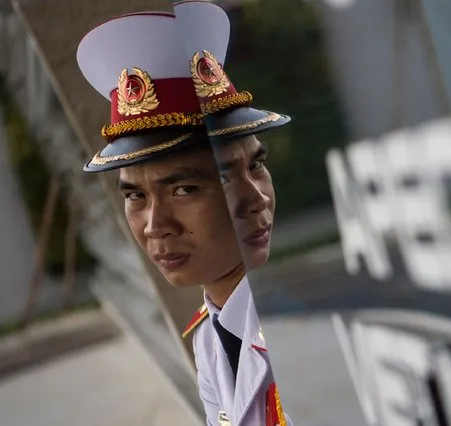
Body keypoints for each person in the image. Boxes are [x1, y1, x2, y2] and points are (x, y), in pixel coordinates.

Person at [76, 3, 292, 425]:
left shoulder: (303, 331)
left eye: (183, 189)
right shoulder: (212, 335)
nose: (156, 226)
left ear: (254, 195)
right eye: (135, 196)